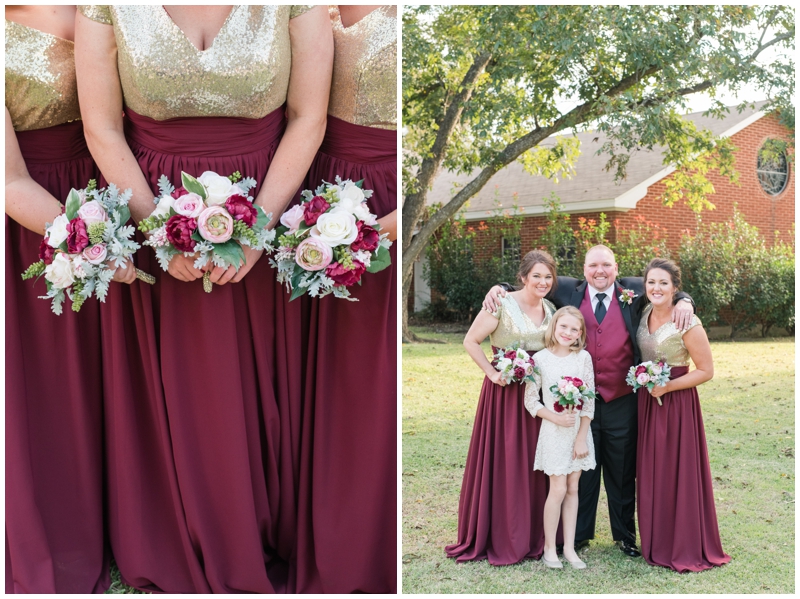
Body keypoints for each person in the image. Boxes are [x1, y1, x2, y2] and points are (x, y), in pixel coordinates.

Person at [75, 5, 332, 592]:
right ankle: (177, 528)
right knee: (180, 384)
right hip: (153, 203)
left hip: (265, 197)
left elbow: (308, 116)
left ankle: (269, 524)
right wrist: (158, 231)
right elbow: (101, 126)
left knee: (261, 379)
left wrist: (259, 227)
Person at [5, 5, 134, 593]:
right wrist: (92, 242)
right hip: (41, 219)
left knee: (126, 379)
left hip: (124, 190)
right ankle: (69, 529)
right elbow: (8, 180)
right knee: (58, 383)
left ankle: (140, 522)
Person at [483, 245, 694, 557]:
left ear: (616, 267)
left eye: (606, 265)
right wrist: (499, 288)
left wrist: (686, 300)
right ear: (583, 269)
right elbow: (531, 281)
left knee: (622, 471)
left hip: (622, 398)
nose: (600, 271)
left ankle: (625, 536)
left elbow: (668, 286)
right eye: (593, 265)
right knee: (580, 469)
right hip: (576, 402)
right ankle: (578, 537)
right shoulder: (566, 289)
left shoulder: (635, 289)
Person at [292, 5, 397, 593]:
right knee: (313, 375)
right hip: (315, 195)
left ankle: (355, 543)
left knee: (362, 381)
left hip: (379, 210)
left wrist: (375, 229)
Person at [446, 250, 557, 565]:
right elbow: (471, 340)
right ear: (523, 276)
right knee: (507, 461)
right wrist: (492, 372)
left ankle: (536, 534)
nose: (543, 282)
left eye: (548, 276)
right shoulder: (501, 303)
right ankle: (504, 534)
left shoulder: (550, 308)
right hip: (505, 397)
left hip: (538, 398)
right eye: (536, 275)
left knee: (536, 462)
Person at [636, 258, 730, 572]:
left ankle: (682, 541)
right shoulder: (643, 310)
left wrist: (667, 388)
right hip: (648, 401)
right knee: (653, 471)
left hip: (676, 404)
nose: (656, 288)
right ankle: (655, 538)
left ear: (676, 288)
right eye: (651, 282)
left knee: (677, 471)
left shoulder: (687, 320)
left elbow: (706, 371)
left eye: (663, 283)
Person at [525, 306, 596, 569]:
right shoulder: (540, 359)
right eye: (563, 327)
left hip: (578, 432)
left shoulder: (583, 358)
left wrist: (581, 438)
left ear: (580, 334)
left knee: (574, 488)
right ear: (554, 327)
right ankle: (549, 548)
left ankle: (569, 548)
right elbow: (531, 401)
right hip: (554, 431)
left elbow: (588, 405)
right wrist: (556, 418)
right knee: (558, 489)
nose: (568, 333)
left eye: (574, 329)